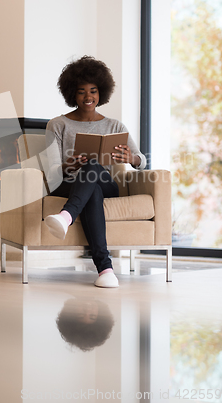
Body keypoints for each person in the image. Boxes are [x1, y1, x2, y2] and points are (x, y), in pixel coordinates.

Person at [45, 56, 146, 288]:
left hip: (106, 183)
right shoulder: (57, 125)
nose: (88, 97)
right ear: (72, 93)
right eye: (81, 91)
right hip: (69, 184)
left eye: (93, 91)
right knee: (92, 189)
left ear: (102, 92)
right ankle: (105, 270)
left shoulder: (115, 126)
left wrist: (130, 158)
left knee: (92, 168)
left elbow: (141, 161)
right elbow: (52, 172)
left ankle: (66, 216)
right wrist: (68, 166)